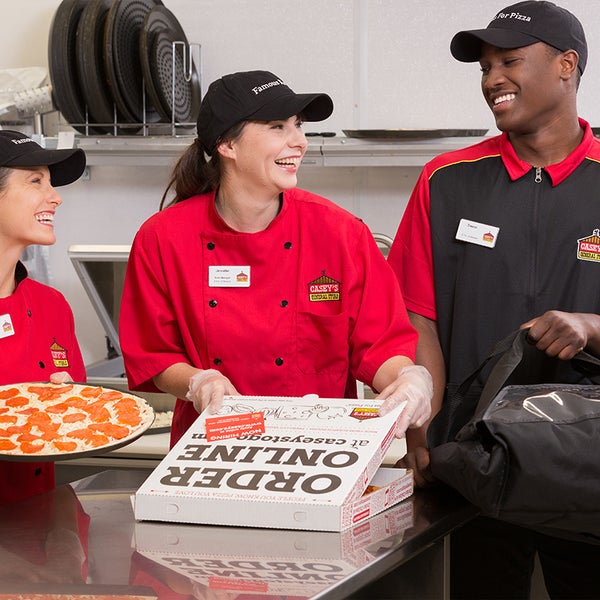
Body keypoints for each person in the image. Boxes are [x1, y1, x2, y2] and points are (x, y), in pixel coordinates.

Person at [388, 1, 600, 598]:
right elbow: (417, 315)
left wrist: (591, 325)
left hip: (587, 463)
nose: (492, 80)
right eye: (484, 67)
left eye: (510, 61)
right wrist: (422, 428)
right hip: (472, 462)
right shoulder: (446, 180)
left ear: (567, 65)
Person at [119, 69, 432, 448]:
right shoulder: (163, 239)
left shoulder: (341, 234)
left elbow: (381, 344)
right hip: (211, 449)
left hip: (322, 448)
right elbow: (154, 354)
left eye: (298, 126)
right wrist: (198, 382)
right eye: (277, 127)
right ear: (227, 145)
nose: (299, 141)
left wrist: (407, 379)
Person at [0, 129, 86, 505]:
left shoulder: (52, 305)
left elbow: (82, 411)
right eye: (36, 181)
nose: (56, 197)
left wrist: (70, 405)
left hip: (40, 533)